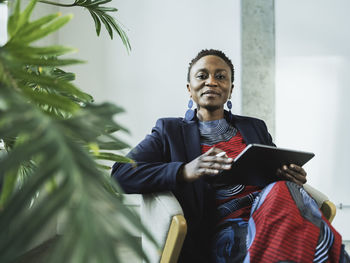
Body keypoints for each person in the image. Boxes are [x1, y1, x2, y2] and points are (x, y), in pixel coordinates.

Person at [112, 49, 349, 263]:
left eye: (220, 76)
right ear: (189, 88)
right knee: (287, 205)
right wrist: (185, 170)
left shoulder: (255, 127)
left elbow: (273, 172)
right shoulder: (169, 131)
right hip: (223, 231)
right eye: (202, 76)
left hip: (274, 212)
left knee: (284, 191)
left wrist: (288, 174)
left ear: (230, 88)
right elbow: (120, 174)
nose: (211, 82)